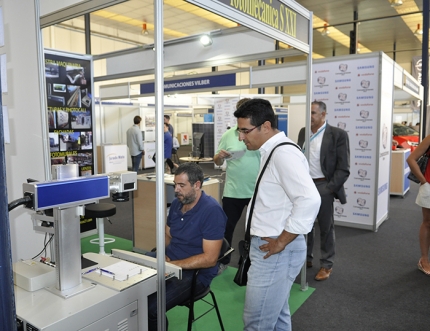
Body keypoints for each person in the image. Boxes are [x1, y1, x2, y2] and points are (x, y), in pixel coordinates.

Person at [234, 98, 321, 330]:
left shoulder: (283, 154)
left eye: (245, 130)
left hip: (275, 252)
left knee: (257, 323)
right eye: (239, 130)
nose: (241, 137)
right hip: (270, 249)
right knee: (277, 316)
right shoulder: (270, 150)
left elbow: (310, 199)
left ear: (265, 126)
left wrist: (282, 241)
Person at [146, 162, 227, 330]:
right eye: (176, 184)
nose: (176, 190)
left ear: (197, 185)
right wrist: (163, 254)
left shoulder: (212, 211)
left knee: (151, 308)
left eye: (181, 185)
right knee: (129, 287)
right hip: (171, 261)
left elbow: (210, 259)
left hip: (197, 274)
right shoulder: (177, 203)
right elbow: (167, 234)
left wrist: (172, 266)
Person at [297, 101, 350, 281]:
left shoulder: (338, 135)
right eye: (308, 113)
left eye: (313, 113)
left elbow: (344, 168)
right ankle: (306, 259)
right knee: (305, 225)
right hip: (304, 185)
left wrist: (328, 189)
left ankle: (327, 264)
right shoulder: (303, 132)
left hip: (323, 185)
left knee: (326, 227)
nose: (309, 116)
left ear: (323, 114)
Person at [213, 98, 260, 273]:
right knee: (227, 228)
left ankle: (247, 263)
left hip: (256, 190)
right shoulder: (228, 135)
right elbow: (216, 160)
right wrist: (221, 156)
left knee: (254, 230)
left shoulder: (259, 134)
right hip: (233, 190)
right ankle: (223, 261)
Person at [407, 136, 430, 276]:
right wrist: (423, 181)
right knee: (428, 223)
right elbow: (411, 159)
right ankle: (424, 259)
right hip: (429, 187)